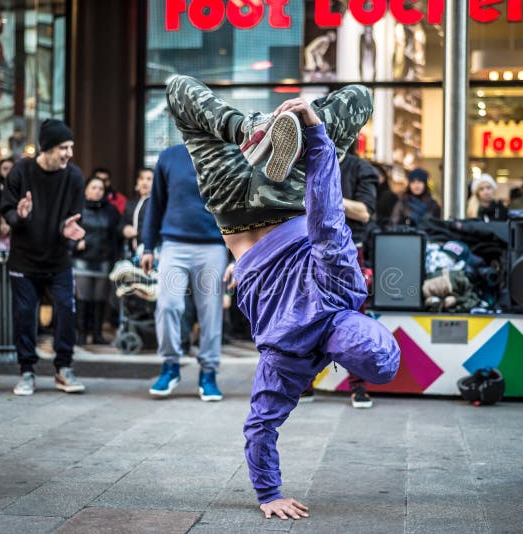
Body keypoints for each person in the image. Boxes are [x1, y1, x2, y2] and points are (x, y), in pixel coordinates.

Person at [165, 75, 400, 519]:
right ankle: (258, 134)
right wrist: (268, 495)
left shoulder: (347, 288)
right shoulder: (291, 361)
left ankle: (254, 128)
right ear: (344, 364)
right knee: (178, 94)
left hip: (288, 196)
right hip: (232, 213)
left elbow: (327, 211)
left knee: (360, 98)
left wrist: (315, 133)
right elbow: (260, 426)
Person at [0, 118, 87, 396]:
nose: (69, 153)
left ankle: (64, 369)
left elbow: (74, 215)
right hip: (24, 260)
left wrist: (68, 229)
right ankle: (27, 371)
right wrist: (20, 216)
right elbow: (7, 210)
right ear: (46, 148)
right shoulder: (20, 172)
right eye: (64, 147)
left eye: (71, 147)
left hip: (58, 259)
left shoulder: (73, 176)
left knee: (65, 309)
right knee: (25, 314)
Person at [140, 144, 227, 402]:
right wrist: (147, 245)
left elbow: (236, 206)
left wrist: (238, 254)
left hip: (212, 245)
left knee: (210, 312)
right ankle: (170, 366)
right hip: (173, 245)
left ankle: (209, 373)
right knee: (167, 306)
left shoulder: (225, 153)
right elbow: (156, 203)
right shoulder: (169, 156)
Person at [300, 147, 378, 408]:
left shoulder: (360, 168)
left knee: (353, 317)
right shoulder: (306, 163)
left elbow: (365, 212)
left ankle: (359, 386)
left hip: (349, 251)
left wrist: (324, 196)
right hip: (311, 248)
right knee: (308, 315)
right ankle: (304, 384)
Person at [73, 176, 120, 345]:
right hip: (82, 259)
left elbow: (116, 235)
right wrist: (75, 244)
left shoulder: (111, 210)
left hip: (103, 260)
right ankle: (81, 334)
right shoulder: (77, 208)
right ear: (86, 190)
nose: (97, 191)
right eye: (93, 187)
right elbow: (66, 229)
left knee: (100, 299)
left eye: (100, 188)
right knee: (83, 298)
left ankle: (97, 334)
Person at [121, 168, 154, 254]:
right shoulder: (131, 203)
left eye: (149, 179)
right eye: (141, 178)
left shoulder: (158, 203)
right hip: (131, 253)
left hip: (151, 251)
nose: (144, 182)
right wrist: (124, 229)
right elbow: (122, 222)